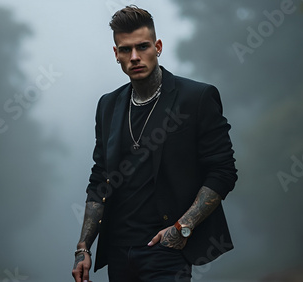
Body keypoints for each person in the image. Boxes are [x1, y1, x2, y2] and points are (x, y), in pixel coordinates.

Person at [72, 5, 238, 282]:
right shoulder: (108, 105)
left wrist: (182, 228)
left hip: (166, 249)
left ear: (158, 46)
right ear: (116, 54)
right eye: (125, 49)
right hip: (118, 251)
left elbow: (223, 172)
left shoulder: (196, 98)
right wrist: (83, 248)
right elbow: (100, 177)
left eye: (143, 46)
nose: (135, 57)